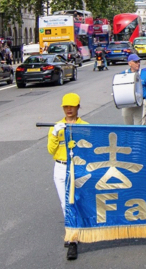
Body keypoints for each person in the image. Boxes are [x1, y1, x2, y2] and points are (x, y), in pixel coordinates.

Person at [48, 93, 89, 260]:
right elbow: (51, 150)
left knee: (76, 201)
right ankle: (72, 234)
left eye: (72, 106)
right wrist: (54, 135)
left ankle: (74, 234)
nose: (69, 109)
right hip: (60, 167)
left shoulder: (85, 126)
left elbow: (89, 148)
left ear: (78, 107)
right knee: (65, 204)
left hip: (77, 168)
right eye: (66, 107)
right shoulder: (56, 126)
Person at [120, 54, 146, 125]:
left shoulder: (144, 73)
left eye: (139, 62)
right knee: (127, 125)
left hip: (139, 104)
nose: (138, 64)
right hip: (127, 104)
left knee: (138, 125)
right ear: (129, 63)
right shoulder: (123, 74)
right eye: (136, 62)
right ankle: (129, 136)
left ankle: (137, 136)